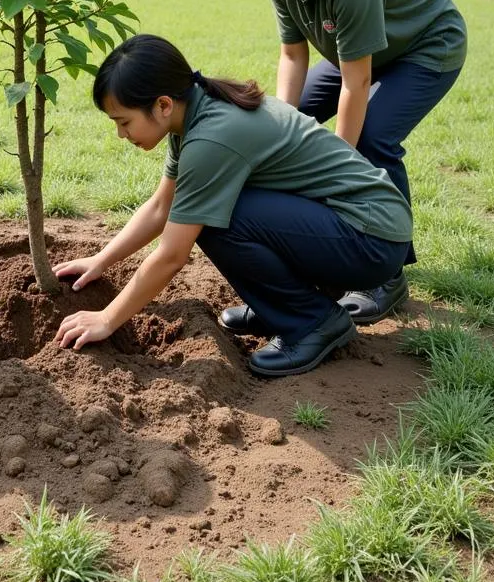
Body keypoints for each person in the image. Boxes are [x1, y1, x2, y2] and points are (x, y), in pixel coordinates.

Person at [54, 35, 412, 377]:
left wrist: (108, 318)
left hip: (370, 240)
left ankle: (310, 321)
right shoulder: (194, 112)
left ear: (162, 105)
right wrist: (100, 260)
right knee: (211, 209)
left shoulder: (212, 137)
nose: (121, 134)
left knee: (214, 220)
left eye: (123, 122)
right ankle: (283, 308)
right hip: (357, 228)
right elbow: (162, 206)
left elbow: (171, 255)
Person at [214, 0, 467, 324]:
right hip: (357, 50)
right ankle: (309, 254)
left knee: (372, 137)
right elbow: (293, 54)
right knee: (284, 127)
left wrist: (337, 172)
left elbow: (357, 83)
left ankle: (387, 275)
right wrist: (284, 128)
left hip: (424, 47)